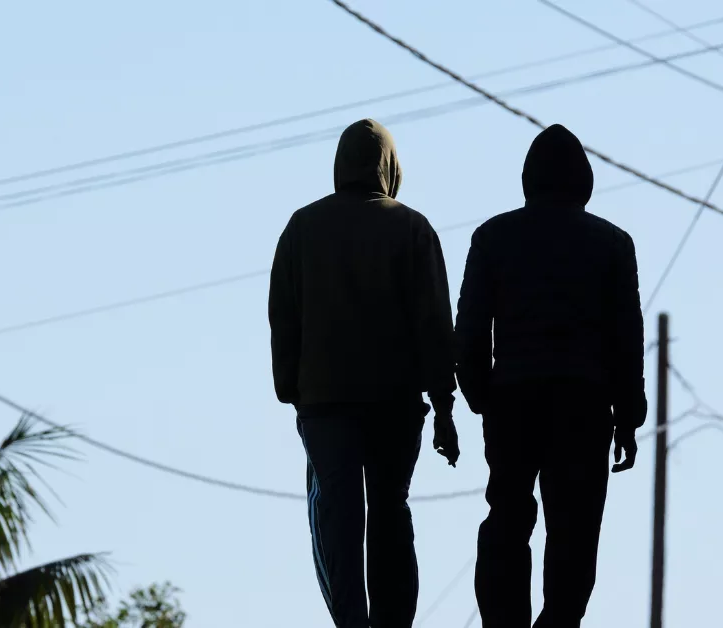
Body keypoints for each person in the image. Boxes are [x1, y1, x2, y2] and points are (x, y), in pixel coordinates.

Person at [268, 118, 460, 628]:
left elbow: (283, 317)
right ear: (390, 167)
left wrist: (291, 387)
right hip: (396, 404)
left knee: (339, 514)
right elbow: (436, 326)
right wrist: (443, 407)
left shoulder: (301, 227)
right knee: (391, 512)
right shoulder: (413, 228)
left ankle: (350, 620)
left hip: (324, 406)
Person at [455, 123, 647, 628]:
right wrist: (628, 416)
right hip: (585, 406)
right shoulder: (612, 244)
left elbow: (471, 327)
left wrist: (480, 395)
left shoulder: (493, 237)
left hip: (512, 400)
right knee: (575, 531)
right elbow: (626, 338)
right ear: (583, 181)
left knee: (507, 518)